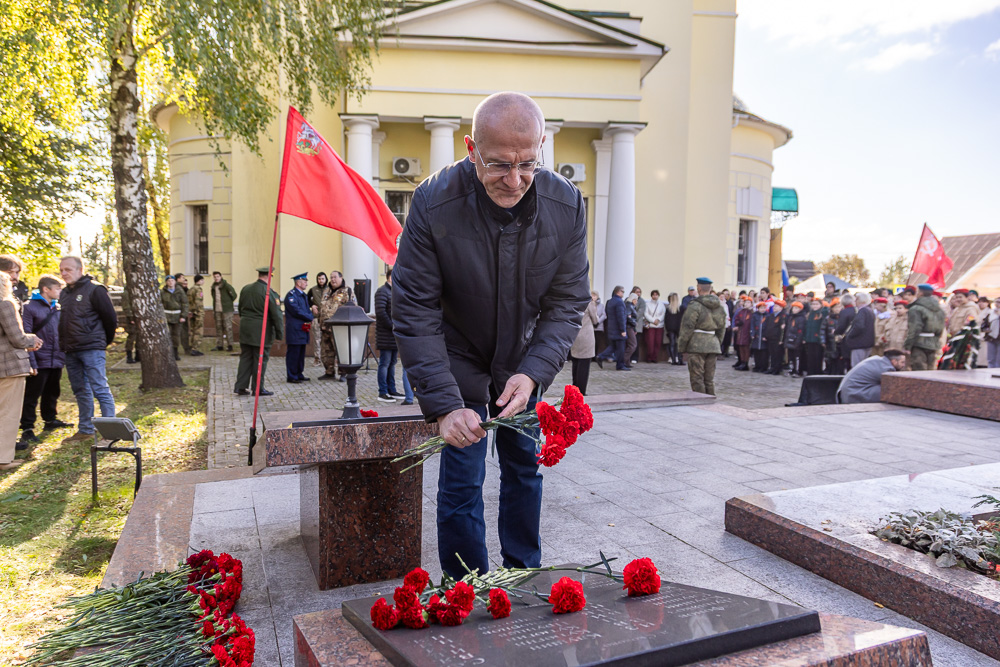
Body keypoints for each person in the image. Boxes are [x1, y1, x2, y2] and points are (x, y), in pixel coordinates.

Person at [392, 91, 590, 580]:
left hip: (523, 358)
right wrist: (443, 404)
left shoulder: (565, 203)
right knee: (463, 477)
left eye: (528, 164)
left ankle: (522, 574)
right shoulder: (433, 202)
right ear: (470, 149)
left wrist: (533, 371)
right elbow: (415, 308)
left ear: (541, 146)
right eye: (499, 165)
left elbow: (567, 301)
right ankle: (468, 587)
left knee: (524, 468)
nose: (516, 179)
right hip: (457, 357)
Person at [57, 256, 117, 443]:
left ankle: (111, 434)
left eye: (68, 269)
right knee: (81, 391)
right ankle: (85, 430)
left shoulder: (95, 290)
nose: (64, 273)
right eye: (61, 270)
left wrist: (101, 342)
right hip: (71, 350)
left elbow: (110, 319)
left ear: (80, 269)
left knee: (100, 389)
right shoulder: (64, 293)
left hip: (92, 348)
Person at [18, 275, 71, 448]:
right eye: (57, 289)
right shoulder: (29, 307)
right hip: (39, 359)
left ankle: (50, 419)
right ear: (46, 289)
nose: (60, 292)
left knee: (52, 391)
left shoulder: (58, 307)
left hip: (55, 358)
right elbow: (26, 335)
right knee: (32, 395)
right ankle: (27, 427)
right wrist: (31, 362)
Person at [0, 273, 42, 470]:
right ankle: (3, 459)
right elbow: (17, 338)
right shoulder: (5, 304)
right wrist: (32, 339)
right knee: (8, 414)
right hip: (9, 366)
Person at [234, 267, 284, 396]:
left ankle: (240, 386)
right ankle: (258, 388)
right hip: (261, 330)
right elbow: (277, 315)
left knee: (245, 357)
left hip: (245, 328)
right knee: (260, 359)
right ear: (269, 276)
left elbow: (240, 309)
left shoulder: (246, 288)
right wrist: (280, 334)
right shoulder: (268, 292)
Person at [677, 277, 726, 395]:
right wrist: (716, 343)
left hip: (696, 345)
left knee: (697, 378)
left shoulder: (695, 305)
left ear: (698, 288)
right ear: (710, 289)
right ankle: (710, 403)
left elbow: (687, 327)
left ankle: (700, 405)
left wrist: (682, 346)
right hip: (712, 344)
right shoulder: (719, 307)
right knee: (709, 379)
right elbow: (722, 328)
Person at [374, 269, 407, 402]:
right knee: (385, 363)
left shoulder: (394, 291)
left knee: (392, 363)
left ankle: (392, 390)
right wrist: (394, 326)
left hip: (393, 335)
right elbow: (381, 313)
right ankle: (383, 392)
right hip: (386, 334)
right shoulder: (382, 291)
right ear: (390, 278)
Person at [317, 271, 354, 381]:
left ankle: (343, 373)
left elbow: (352, 307)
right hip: (325, 327)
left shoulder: (347, 291)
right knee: (326, 351)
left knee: (341, 351)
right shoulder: (327, 291)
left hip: (339, 327)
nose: (332, 279)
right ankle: (329, 372)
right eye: (331, 277)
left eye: (335, 277)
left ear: (341, 278)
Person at [837, 349, 907, 404]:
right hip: (854, 395)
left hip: (848, 393)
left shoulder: (878, 360)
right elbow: (896, 386)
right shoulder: (886, 368)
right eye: (902, 362)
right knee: (892, 388)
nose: (904, 365)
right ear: (894, 361)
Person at [904, 284, 945, 371]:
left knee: (919, 370)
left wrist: (908, 345)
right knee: (930, 370)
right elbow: (941, 328)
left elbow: (914, 328)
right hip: (933, 342)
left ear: (921, 293)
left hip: (919, 343)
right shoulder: (939, 309)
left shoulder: (916, 308)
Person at [283, 272, 313, 384]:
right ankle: (291, 375)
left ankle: (299, 373)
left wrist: (309, 315)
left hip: (302, 329)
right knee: (294, 353)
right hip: (295, 329)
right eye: (304, 281)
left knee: (301, 352)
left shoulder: (303, 295)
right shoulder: (291, 295)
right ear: (298, 282)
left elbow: (305, 309)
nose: (306, 283)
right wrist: (310, 316)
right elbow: (296, 310)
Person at [569, 290, 599, 394]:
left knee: (576, 363)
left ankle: (575, 388)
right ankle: (581, 391)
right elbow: (595, 320)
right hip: (586, 335)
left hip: (575, 334)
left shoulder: (573, 300)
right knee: (584, 364)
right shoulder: (589, 302)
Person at [596, 286, 628, 370]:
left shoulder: (610, 301)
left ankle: (601, 357)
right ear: (618, 292)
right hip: (618, 329)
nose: (623, 293)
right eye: (623, 292)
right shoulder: (619, 302)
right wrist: (623, 330)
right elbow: (621, 317)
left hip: (611, 328)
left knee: (613, 346)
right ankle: (620, 365)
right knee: (620, 348)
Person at [843, 292, 875, 368]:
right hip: (867, 342)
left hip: (859, 343)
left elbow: (859, 326)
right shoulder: (870, 310)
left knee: (856, 366)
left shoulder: (862, 311)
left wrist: (849, 335)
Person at [161, 275, 188, 361]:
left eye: (172, 281)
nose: (170, 282)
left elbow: (185, 304)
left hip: (177, 317)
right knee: (167, 335)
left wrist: (183, 316)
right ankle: (167, 353)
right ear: (166, 282)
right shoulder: (162, 292)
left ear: (175, 282)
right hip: (167, 316)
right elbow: (160, 305)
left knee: (176, 335)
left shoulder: (180, 291)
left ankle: (175, 353)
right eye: (168, 281)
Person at [211, 271, 237, 351]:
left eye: (218, 276)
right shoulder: (213, 287)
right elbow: (213, 296)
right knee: (218, 327)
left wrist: (228, 302)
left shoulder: (226, 286)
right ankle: (220, 345)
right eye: (215, 277)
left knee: (228, 327)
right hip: (217, 309)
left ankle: (230, 345)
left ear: (221, 277)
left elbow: (234, 295)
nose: (216, 278)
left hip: (227, 310)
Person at [308, 272, 328, 366]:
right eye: (319, 279)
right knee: (317, 339)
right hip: (316, 318)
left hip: (327, 318)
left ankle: (329, 359)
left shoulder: (330, 289)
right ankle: (317, 359)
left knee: (328, 339)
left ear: (326, 279)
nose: (321, 280)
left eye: (322, 279)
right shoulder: (312, 290)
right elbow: (306, 300)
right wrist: (312, 306)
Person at [802, 299, 826, 376]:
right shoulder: (809, 314)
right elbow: (806, 327)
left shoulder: (822, 313)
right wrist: (805, 337)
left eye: (816, 304)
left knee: (818, 357)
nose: (814, 306)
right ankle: (810, 372)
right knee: (810, 357)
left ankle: (817, 372)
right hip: (809, 338)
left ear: (821, 305)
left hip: (817, 339)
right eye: (813, 304)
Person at [783, 301, 807, 377]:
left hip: (796, 340)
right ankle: (792, 369)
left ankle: (797, 370)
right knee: (791, 356)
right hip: (790, 339)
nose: (794, 309)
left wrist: (798, 340)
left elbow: (801, 331)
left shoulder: (801, 318)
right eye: (793, 308)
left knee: (797, 357)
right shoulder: (790, 317)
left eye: (796, 308)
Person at [763, 299, 786, 375]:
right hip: (770, 338)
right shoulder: (771, 315)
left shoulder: (783, 316)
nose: (775, 308)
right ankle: (772, 367)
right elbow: (767, 326)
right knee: (772, 354)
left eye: (777, 306)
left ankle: (777, 369)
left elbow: (782, 329)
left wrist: (781, 339)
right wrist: (766, 335)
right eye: (774, 306)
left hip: (777, 338)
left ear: (781, 308)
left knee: (777, 354)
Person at [642, 289, 666, 362]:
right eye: (653, 295)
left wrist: (658, 320)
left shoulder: (661, 304)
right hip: (651, 326)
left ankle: (655, 357)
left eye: (656, 295)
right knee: (650, 342)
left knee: (658, 342)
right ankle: (649, 357)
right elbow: (646, 314)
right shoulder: (647, 304)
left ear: (658, 295)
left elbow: (663, 314)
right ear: (651, 296)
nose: (655, 296)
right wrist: (653, 320)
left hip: (659, 326)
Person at [173, 273, 193, 356]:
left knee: (183, 331)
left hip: (181, 312)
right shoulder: (178, 288)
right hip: (178, 313)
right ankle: (181, 348)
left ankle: (184, 347)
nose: (184, 279)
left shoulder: (181, 288)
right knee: (180, 332)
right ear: (178, 279)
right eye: (182, 278)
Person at [731, 297, 752, 371]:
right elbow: (736, 319)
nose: (747, 304)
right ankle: (742, 362)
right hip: (741, 331)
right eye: (746, 302)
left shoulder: (751, 312)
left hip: (747, 332)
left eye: (749, 303)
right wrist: (737, 323)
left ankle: (746, 363)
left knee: (746, 348)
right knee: (741, 347)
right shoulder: (741, 311)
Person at [187, 275, 206, 356]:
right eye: (202, 280)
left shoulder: (190, 289)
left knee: (192, 330)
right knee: (198, 331)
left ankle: (191, 347)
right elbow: (198, 302)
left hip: (191, 312)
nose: (203, 282)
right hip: (198, 313)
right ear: (199, 280)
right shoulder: (198, 289)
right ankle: (195, 348)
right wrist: (199, 311)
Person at [120, 287, 138, 364]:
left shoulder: (135, 290)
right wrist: (131, 318)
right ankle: (129, 356)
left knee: (139, 337)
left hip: (138, 317)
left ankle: (138, 355)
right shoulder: (126, 293)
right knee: (132, 336)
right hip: (132, 319)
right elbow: (126, 307)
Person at [750, 300, 768, 372]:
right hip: (756, 336)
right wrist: (752, 333)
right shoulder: (755, 315)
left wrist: (766, 335)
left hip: (763, 337)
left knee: (764, 353)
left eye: (764, 308)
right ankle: (757, 366)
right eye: (761, 308)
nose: (762, 309)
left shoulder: (767, 316)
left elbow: (768, 326)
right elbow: (752, 325)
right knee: (756, 352)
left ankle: (763, 367)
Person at [982, 299, 1000, 368]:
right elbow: (985, 324)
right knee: (990, 358)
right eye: (997, 302)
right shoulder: (990, 312)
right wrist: (986, 329)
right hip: (991, 337)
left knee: (998, 359)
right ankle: (990, 371)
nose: (998, 304)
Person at [629, 286, 644, 364]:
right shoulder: (628, 300)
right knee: (629, 342)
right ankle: (629, 357)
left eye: (639, 292)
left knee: (636, 342)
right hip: (629, 324)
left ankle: (635, 357)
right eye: (636, 292)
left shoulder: (642, 301)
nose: (638, 293)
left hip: (637, 325)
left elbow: (640, 312)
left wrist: (632, 317)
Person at [623, 292, 639, 365]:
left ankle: (626, 362)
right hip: (629, 327)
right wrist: (634, 323)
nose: (637, 301)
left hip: (630, 327)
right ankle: (624, 360)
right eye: (636, 300)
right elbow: (628, 317)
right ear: (633, 299)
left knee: (630, 345)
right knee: (633, 345)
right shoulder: (629, 306)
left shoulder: (630, 305)